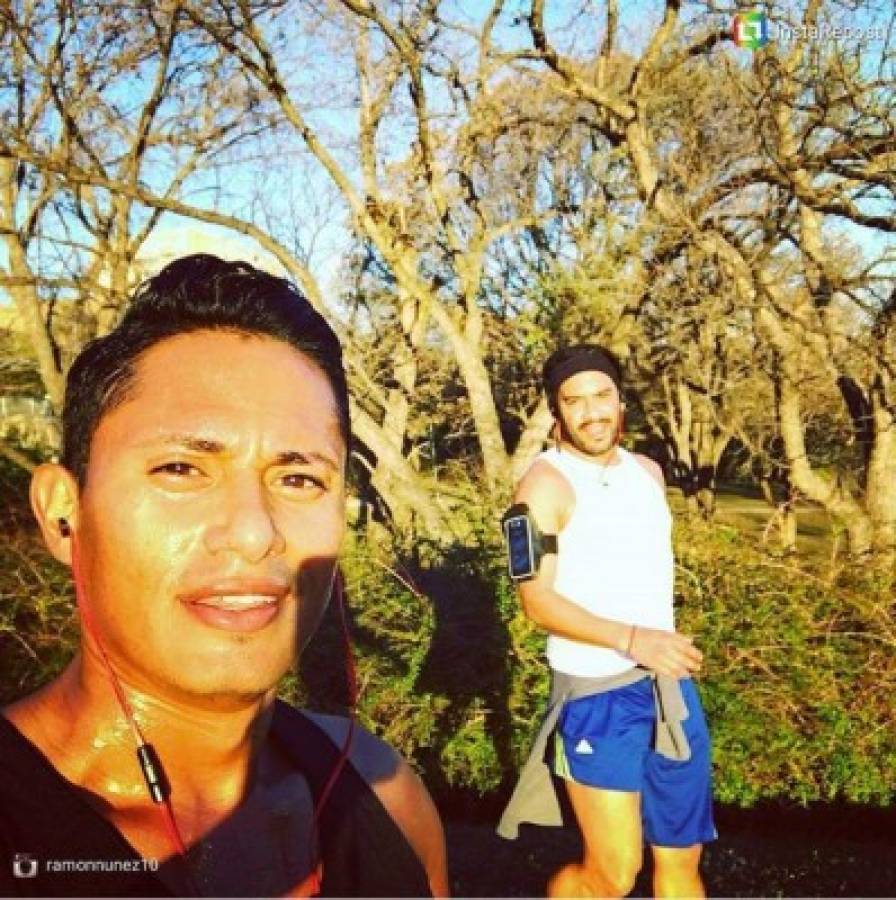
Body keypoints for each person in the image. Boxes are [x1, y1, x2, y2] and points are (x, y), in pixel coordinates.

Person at [0, 254, 448, 898]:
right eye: (181, 469)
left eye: (299, 478)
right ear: (63, 513)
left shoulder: (383, 796)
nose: (254, 531)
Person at [497, 344, 715, 898]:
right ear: (556, 411)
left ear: (621, 401)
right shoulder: (542, 487)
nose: (592, 412)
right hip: (597, 698)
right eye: (575, 401)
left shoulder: (648, 473)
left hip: (669, 688)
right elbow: (536, 602)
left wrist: (653, 647)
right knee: (614, 874)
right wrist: (633, 639)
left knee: (682, 862)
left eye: (602, 396)